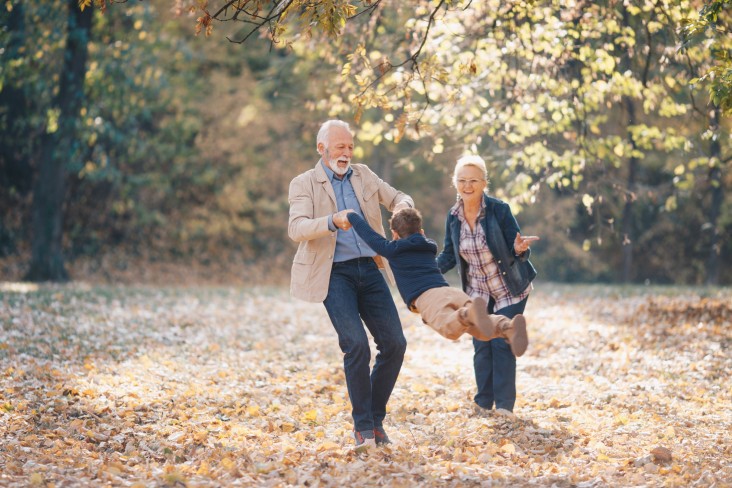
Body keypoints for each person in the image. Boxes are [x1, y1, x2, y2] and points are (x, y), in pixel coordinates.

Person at [288, 120, 413, 449]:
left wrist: (402, 209)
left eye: (350, 147)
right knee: (355, 345)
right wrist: (332, 221)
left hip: (371, 269)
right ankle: (363, 428)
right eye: (339, 147)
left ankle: (375, 419)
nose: (346, 153)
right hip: (333, 273)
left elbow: (399, 196)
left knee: (395, 344)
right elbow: (297, 228)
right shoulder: (304, 184)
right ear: (322, 149)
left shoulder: (364, 174)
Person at [436, 155, 539, 415]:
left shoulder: (499, 210)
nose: (467, 186)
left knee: (501, 342)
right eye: (462, 181)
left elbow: (517, 248)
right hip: (478, 292)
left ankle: (504, 407)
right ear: (455, 183)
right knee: (481, 343)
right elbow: (450, 255)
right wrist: (425, 271)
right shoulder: (453, 217)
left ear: (484, 183)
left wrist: (519, 249)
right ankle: (483, 402)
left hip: (508, 288)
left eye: (473, 180)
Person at [345, 208, 528, 354]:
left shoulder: (393, 249)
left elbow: (370, 236)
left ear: (394, 234)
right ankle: (507, 327)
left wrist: (352, 216)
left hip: (427, 297)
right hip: (449, 291)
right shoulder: (429, 246)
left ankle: (467, 314)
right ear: (422, 232)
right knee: (480, 327)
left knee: (449, 327)